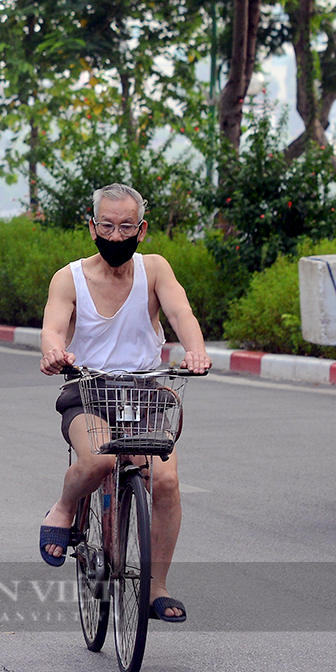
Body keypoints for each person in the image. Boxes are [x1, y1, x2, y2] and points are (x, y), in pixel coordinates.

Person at [37, 182, 211, 624]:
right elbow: (53, 327)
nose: (117, 237)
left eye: (126, 227)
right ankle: (64, 506)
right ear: (92, 227)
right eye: (108, 226)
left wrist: (195, 350)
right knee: (97, 463)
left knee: (166, 483)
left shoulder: (154, 270)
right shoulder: (69, 277)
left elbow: (181, 314)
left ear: (142, 229)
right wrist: (55, 351)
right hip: (89, 392)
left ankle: (156, 587)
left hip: (145, 393)